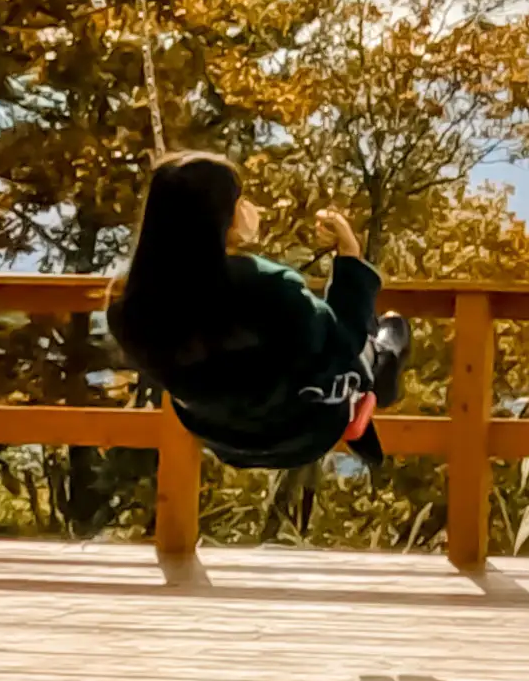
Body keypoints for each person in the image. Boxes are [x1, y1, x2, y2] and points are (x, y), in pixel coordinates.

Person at [107, 151, 411, 474]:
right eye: (238, 200)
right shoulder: (268, 288)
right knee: (382, 336)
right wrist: (350, 257)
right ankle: (382, 364)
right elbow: (341, 344)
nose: (247, 207)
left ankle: (370, 375)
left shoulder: (131, 307)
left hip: (223, 439)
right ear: (221, 216)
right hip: (302, 433)